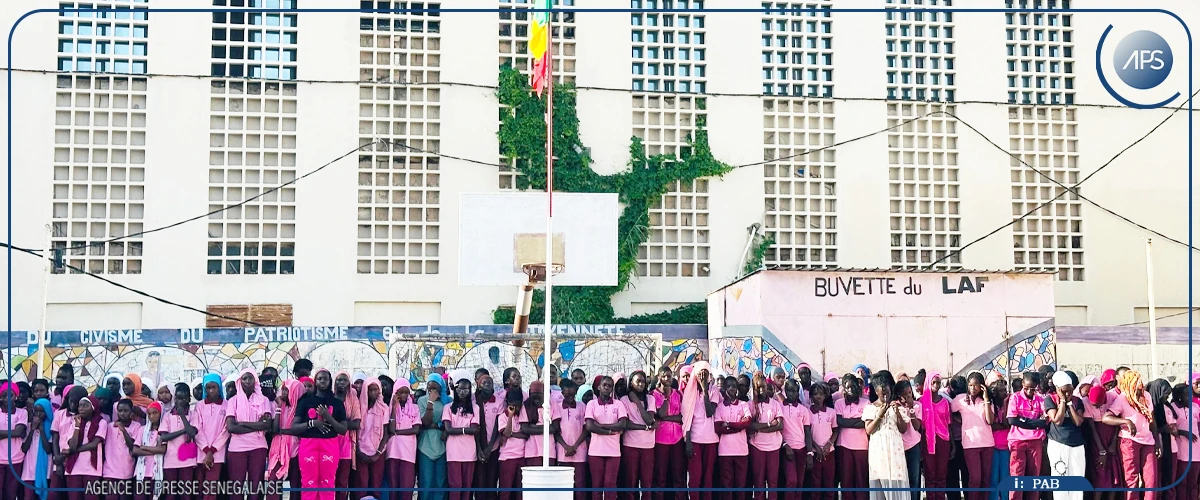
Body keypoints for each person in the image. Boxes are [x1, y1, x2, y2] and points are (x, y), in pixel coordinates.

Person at [291, 369, 348, 500]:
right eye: (320, 378)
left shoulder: (337, 403)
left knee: (327, 482)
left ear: (330, 382)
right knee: (308, 482)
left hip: (329, 445)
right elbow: (294, 428)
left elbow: (343, 429)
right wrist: (313, 423)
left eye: (325, 379)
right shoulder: (305, 401)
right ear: (315, 381)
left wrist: (328, 417)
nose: (322, 381)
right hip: (308, 444)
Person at [1103, 370, 1160, 500]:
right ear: (1129, 385)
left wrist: (1157, 441)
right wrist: (1125, 421)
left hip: (1148, 441)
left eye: (1140, 385)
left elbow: (1152, 420)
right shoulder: (1122, 398)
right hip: (1129, 442)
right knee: (1131, 480)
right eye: (1136, 386)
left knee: (1151, 479)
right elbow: (1106, 418)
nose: (1140, 389)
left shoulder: (1147, 396)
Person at [227, 369, 272, 500]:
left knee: (255, 488)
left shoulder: (264, 400)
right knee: (236, 488)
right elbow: (231, 427)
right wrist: (255, 425)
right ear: (239, 381)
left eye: (250, 378)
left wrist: (241, 424)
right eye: (244, 378)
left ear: (255, 381)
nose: (247, 381)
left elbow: (266, 425)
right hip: (237, 448)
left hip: (258, 447)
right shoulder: (233, 401)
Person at [863, 372, 909, 500]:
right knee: (880, 478)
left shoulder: (897, 406)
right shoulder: (870, 408)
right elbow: (869, 430)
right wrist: (881, 414)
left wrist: (898, 413)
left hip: (894, 448)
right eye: (882, 393)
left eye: (887, 393)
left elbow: (903, 429)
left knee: (896, 477)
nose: (885, 396)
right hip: (878, 448)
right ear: (876, 392)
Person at [951, 372, 995, 500]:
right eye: (970, 385)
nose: (973, 388)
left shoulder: (987, 400)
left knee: (986, 479)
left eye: (976, 385)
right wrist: (960, 421)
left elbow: (989, 420)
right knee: (975, 478)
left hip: (987, 444)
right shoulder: (960, 400)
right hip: (970, 445)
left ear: (982, 386)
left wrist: (986, 399)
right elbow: (949, 411)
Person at [1045, 372, 1086, 500]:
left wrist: (1069, 404)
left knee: (1077, 479)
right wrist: (1062, 401)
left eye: (1070, 390)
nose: (1068, 394)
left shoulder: (1077, 401)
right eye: (1064, 391)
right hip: (1058, 444)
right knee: (1060, 479)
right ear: (1057, 389)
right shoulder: (1050, 399)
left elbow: (1078, 421)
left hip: (1077, 445)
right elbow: (1057, 420)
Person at [586, 376, 627, 500]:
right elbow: (589, 427)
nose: (607, 388)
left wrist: (600, 425)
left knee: (610, 485)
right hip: (595, 451)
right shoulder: (591, 404)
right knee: (597, 486)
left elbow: (622, 424)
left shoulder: (619, 404)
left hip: (613, 452)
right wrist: (610, 431)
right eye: (605, 385)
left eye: (610, 386)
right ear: (599, 387)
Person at [1008, 372, 1048, 500]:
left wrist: (1023, 420)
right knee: (1017, 476)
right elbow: (1012, 420)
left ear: (1036, 386)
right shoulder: (1015, 398)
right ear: (1022, 385)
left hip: (1035, 441)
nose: (1029, 391)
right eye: (1026, 388)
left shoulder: (1040, 400)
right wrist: (1035, 424)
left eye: (1032, 388)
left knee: (1034, 476)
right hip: (1017, 441)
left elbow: (1044, 421)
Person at [682, 363, 718, 500]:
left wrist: (705, 390)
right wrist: (688, 441)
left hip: (711, 440)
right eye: (700, 374)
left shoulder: (714, 391)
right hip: (695, 440)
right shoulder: (689, 393)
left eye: (705, 374)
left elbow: (710, 412)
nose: (702, 377)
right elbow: (686, 419)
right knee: (695, 477)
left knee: (708, 478)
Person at [63, 395, 107, 500]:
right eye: (80, 406)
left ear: (93, 408)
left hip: (92, 468)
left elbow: (94, 444)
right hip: (74, 468)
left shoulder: (101, 422)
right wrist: (77, 426)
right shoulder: (75, 422)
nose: (81, 408)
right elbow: (72, 445)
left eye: (85, 406)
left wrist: (71, 452)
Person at [747, 374, 783, 500]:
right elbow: (751, 426)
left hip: (774, 447)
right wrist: (768, 424)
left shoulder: (776, 404)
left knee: (773, 483)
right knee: (759, 482)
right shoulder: (751, 405)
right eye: (758, 388)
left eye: (764, 387)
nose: (762, 390)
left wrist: (761, 428)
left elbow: (779, 426)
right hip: (757, 447)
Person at [159, 383, 197, 500]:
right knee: (170, 494)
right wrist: (183, 431)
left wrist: (183, 416)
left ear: (189, 399)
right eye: (177, 398)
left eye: (182, 398)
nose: (179, 401)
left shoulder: (193, 415)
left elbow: (192, 433)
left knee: (186, 494)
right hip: (170, 460)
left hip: (188, 461)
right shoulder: (167, 416)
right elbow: (163, 437)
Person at [650, 366, 684, 500]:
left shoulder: (678, 394)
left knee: (678, 475)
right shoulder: (653, 395)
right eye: (663, 376)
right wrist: (665, 397)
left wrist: (664, 418)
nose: (666, 379)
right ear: (659, 377)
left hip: (677, 439)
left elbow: (682, 417)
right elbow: (660, 413)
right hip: (660, 440)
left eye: (669, 376)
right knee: (660, 476)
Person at [714, 376, 750, 500]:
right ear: (724, 388)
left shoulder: (744, 405)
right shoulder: (719, 407)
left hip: (741, 451)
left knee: (740, 486)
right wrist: (739, 427)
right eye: (728, 386)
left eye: (734, 386)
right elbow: (718, 428)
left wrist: (729, 424)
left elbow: (747, 423)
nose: (731, 389)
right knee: (726, 486)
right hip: (725, 452)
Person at [444, 378, 480, 500]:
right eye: (460, 388)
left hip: (469, 452)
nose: (463, 392)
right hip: (453, 452)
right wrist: (466, 430)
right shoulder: (448, 408)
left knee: (467, 486)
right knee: (455, 485)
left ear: (470, 390)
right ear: (455, 389)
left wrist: (458, 430)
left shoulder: (475, 408)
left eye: (466, 389)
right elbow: (448, 429)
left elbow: (475, 429)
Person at [620, 372, 654, 500]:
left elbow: (650, 420)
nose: (640, 384)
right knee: (631, 481)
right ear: (631, 383)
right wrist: (645, 428)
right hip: (630, 445)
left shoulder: (650, 399)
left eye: (643, 381)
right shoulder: (623, 400)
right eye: (637, 381)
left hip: (648, 446)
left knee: (646, 483)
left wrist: (638, 403)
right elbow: (625, 424)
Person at [194, 373, 228, 500]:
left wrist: (212, 451)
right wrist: (206, 450)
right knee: (198, 487)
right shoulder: (199, 406)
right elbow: (198, 428)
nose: (211, 391)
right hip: (200, 453)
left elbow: (226, 431)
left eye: (214, 387)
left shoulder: (227, 405)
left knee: (210, 489)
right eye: (208, 388)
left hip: (217, 455)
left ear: (219, 387)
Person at [835, 375, 869, 500]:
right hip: (843, 446)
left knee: (861, 479)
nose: (851, 390)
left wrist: (848, 421)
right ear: (843, 388)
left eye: (854, 386)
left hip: (862, 446)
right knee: (846, 479)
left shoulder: (866, 402)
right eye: (848, 387)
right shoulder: (838, 403)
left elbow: (865, 423)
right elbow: (839, 422)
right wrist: (857, 421)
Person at [417, 374, 450, 500]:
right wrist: (430, 402)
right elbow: (424, 423)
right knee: (426, 481)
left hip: (442, 444)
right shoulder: (422, 401)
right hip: (426, 445)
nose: (431, 390)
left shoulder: (447, 402)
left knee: (440, 482)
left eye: (435, 388)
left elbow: (447, 424)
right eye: (429, 388)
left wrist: (438, 425)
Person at [555, 380, 589, 500]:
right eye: (566, 394)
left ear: (575, 392)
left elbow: (586, 429)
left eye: (572, 394)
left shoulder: (582, 406)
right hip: (562, 453)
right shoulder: (557, 407)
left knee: (580, 485)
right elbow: (555, 431)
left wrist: (574, 446)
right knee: (564, 486)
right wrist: (566, 447)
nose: (569, 396)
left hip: (579, 452)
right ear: (562, 392)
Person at [780, 379, 813, 500]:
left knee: (799, 483)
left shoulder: (803, 409)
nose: (791, 393)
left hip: (802, 449)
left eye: (794, 391)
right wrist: (784, 445)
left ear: (797, 392)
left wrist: (809, 453)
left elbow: (807, 432)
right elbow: (778, 429)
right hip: (787, 449)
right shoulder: (779, 407)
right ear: (785, 391)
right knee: (791, 481)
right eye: (788, 390)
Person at [386, 379, 419, 500]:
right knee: (393, 487)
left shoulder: (414, 408)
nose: (404, 395)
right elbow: (391, 428)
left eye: (406, 392)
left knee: (406, 487)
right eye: (400, 392)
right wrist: (394, 408)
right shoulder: (389, 408)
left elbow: (416, 429)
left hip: (408, 452)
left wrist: (398, 433)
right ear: (395, 393)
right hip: (393, 451)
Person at [357, 378, 389, 500]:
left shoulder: (384, 408)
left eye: (376, 390)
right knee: (362, 486)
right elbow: (355, 432)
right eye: (371, 390)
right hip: (361, 452)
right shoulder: (359, 407)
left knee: (376, 486)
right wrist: (358, 452)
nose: (374, 393)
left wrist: (378, 454)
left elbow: (386, 433)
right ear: (366, 391)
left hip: (377, 452)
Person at [922, 372, 952, 500]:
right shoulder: (921, 402)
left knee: (941, 473)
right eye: (933, 382)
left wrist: (952, 446)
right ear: (928, 383)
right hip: (928, 440)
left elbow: (948, 424)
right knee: (930, 474)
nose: (936, 385)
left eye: (938, 382)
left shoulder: (945, 402)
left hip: (943, 440)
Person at [105, 399, 140, 500]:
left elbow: (132, 446)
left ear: (131, 412)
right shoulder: (109, 426)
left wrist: (123, 430)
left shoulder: (136, 426)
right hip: (109, 471)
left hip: (127, 470)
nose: (122, 413)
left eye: (126, 411)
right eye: (120, 411)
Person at [497, 390, 527, 500]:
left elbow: (526, 434)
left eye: (518, 405)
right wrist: (510, 415)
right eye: (514, 406)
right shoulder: (502, 417)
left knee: (520, 489)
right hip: (508, 456)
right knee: (506, 488)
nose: (516, 408)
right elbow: (506, 432)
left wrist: (512, 434)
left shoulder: (523, 415)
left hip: (522, 455)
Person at [132, 402, 166, 500]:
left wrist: (144, 447)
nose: (152, 416)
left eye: (155, 413)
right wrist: (155, 450)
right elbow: (135, 450)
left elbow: (163, 450)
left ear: (161, 413)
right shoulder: (142, 430)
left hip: (156, 472)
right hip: (141, 472)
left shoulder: (163, 431)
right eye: (149, 414)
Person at [0, 383, 28, 500]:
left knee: (11, 493)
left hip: (16, 459)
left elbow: (20, 432)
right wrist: (13, 432)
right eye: (4, 395)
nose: (7, 398)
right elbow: (15, 432)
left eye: (10, 395)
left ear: (16, 396)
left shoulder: (22, 413)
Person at [23, 397, 53, 500]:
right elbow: (24, 448)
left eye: (42, 412)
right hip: (29, 470)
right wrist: (32, 430)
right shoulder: (28, 426)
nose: (39, 414)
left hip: (45, 469)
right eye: (36, 411)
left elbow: (48, 449)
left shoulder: (51, 427)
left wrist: (42, 430)